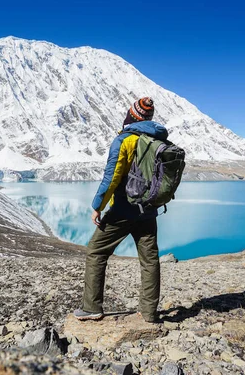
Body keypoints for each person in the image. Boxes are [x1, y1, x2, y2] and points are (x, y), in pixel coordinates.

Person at [73, 97, 168, 323]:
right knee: (149, 259)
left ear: (132, 116)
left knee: (96, 251)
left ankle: (92, 307)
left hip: (124, 209)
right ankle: (149, 313)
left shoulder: (125, 140)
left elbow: (112, 177)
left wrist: (97, 205)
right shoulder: (157, 139)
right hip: (149, 209)